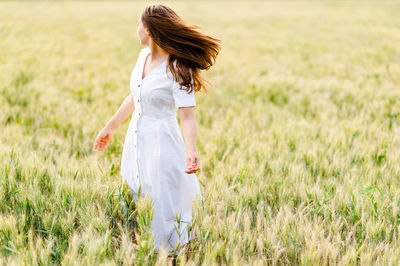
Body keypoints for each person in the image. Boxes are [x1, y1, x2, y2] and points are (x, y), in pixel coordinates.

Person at [93, 4, 221, 256]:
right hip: (136, 136)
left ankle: (167, 251)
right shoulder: (143, 58)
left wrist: (191, 150)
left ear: (149, 30)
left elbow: (187, 116)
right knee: (135, 186)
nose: (136, 30)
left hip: (161, 140)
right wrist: (109, 127)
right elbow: (133, 97)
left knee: (161, 194)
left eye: (139, 25)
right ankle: (142, 241)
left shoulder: (177, 68)